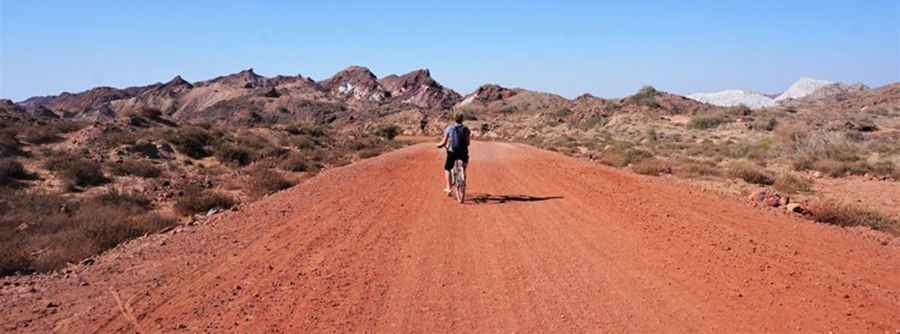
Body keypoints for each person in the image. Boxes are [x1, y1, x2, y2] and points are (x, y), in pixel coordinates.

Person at [436, 113, 471, 194]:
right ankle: (463, 177)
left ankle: (449, 188)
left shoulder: (449, 128)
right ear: (462, 119)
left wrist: (439, 145)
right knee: (464, 165)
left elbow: (444, 142)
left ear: (454, 119)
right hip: (463, 152)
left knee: (447, 168)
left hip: (453, 152)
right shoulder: (466, 129)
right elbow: (468, 143)